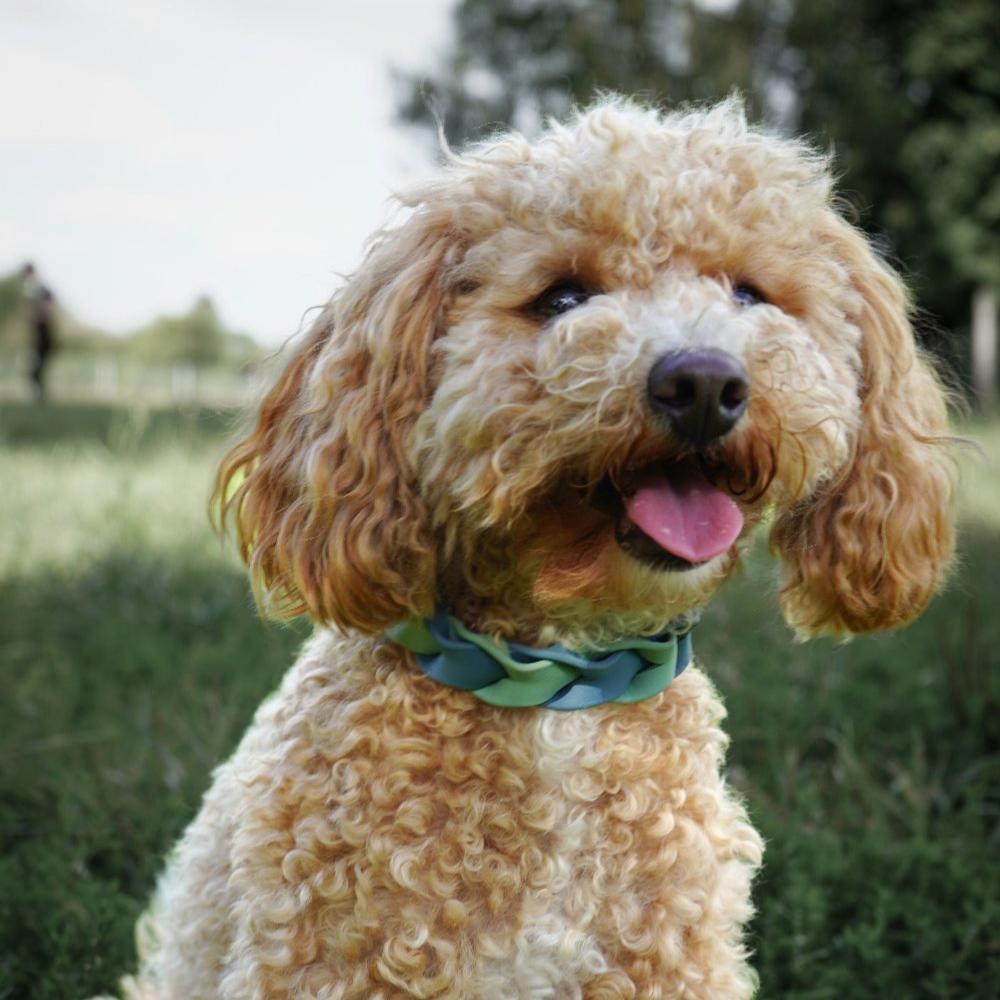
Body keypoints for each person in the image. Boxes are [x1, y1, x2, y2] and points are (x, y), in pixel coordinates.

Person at [20, 263, 57, 402]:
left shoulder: (42, 291)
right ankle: (39, 397)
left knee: (36, 370)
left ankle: (39, 397)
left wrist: (36, 315)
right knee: (34, 370)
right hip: (38, 337)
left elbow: (47, 312)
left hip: (44, 337)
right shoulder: (32, 292)